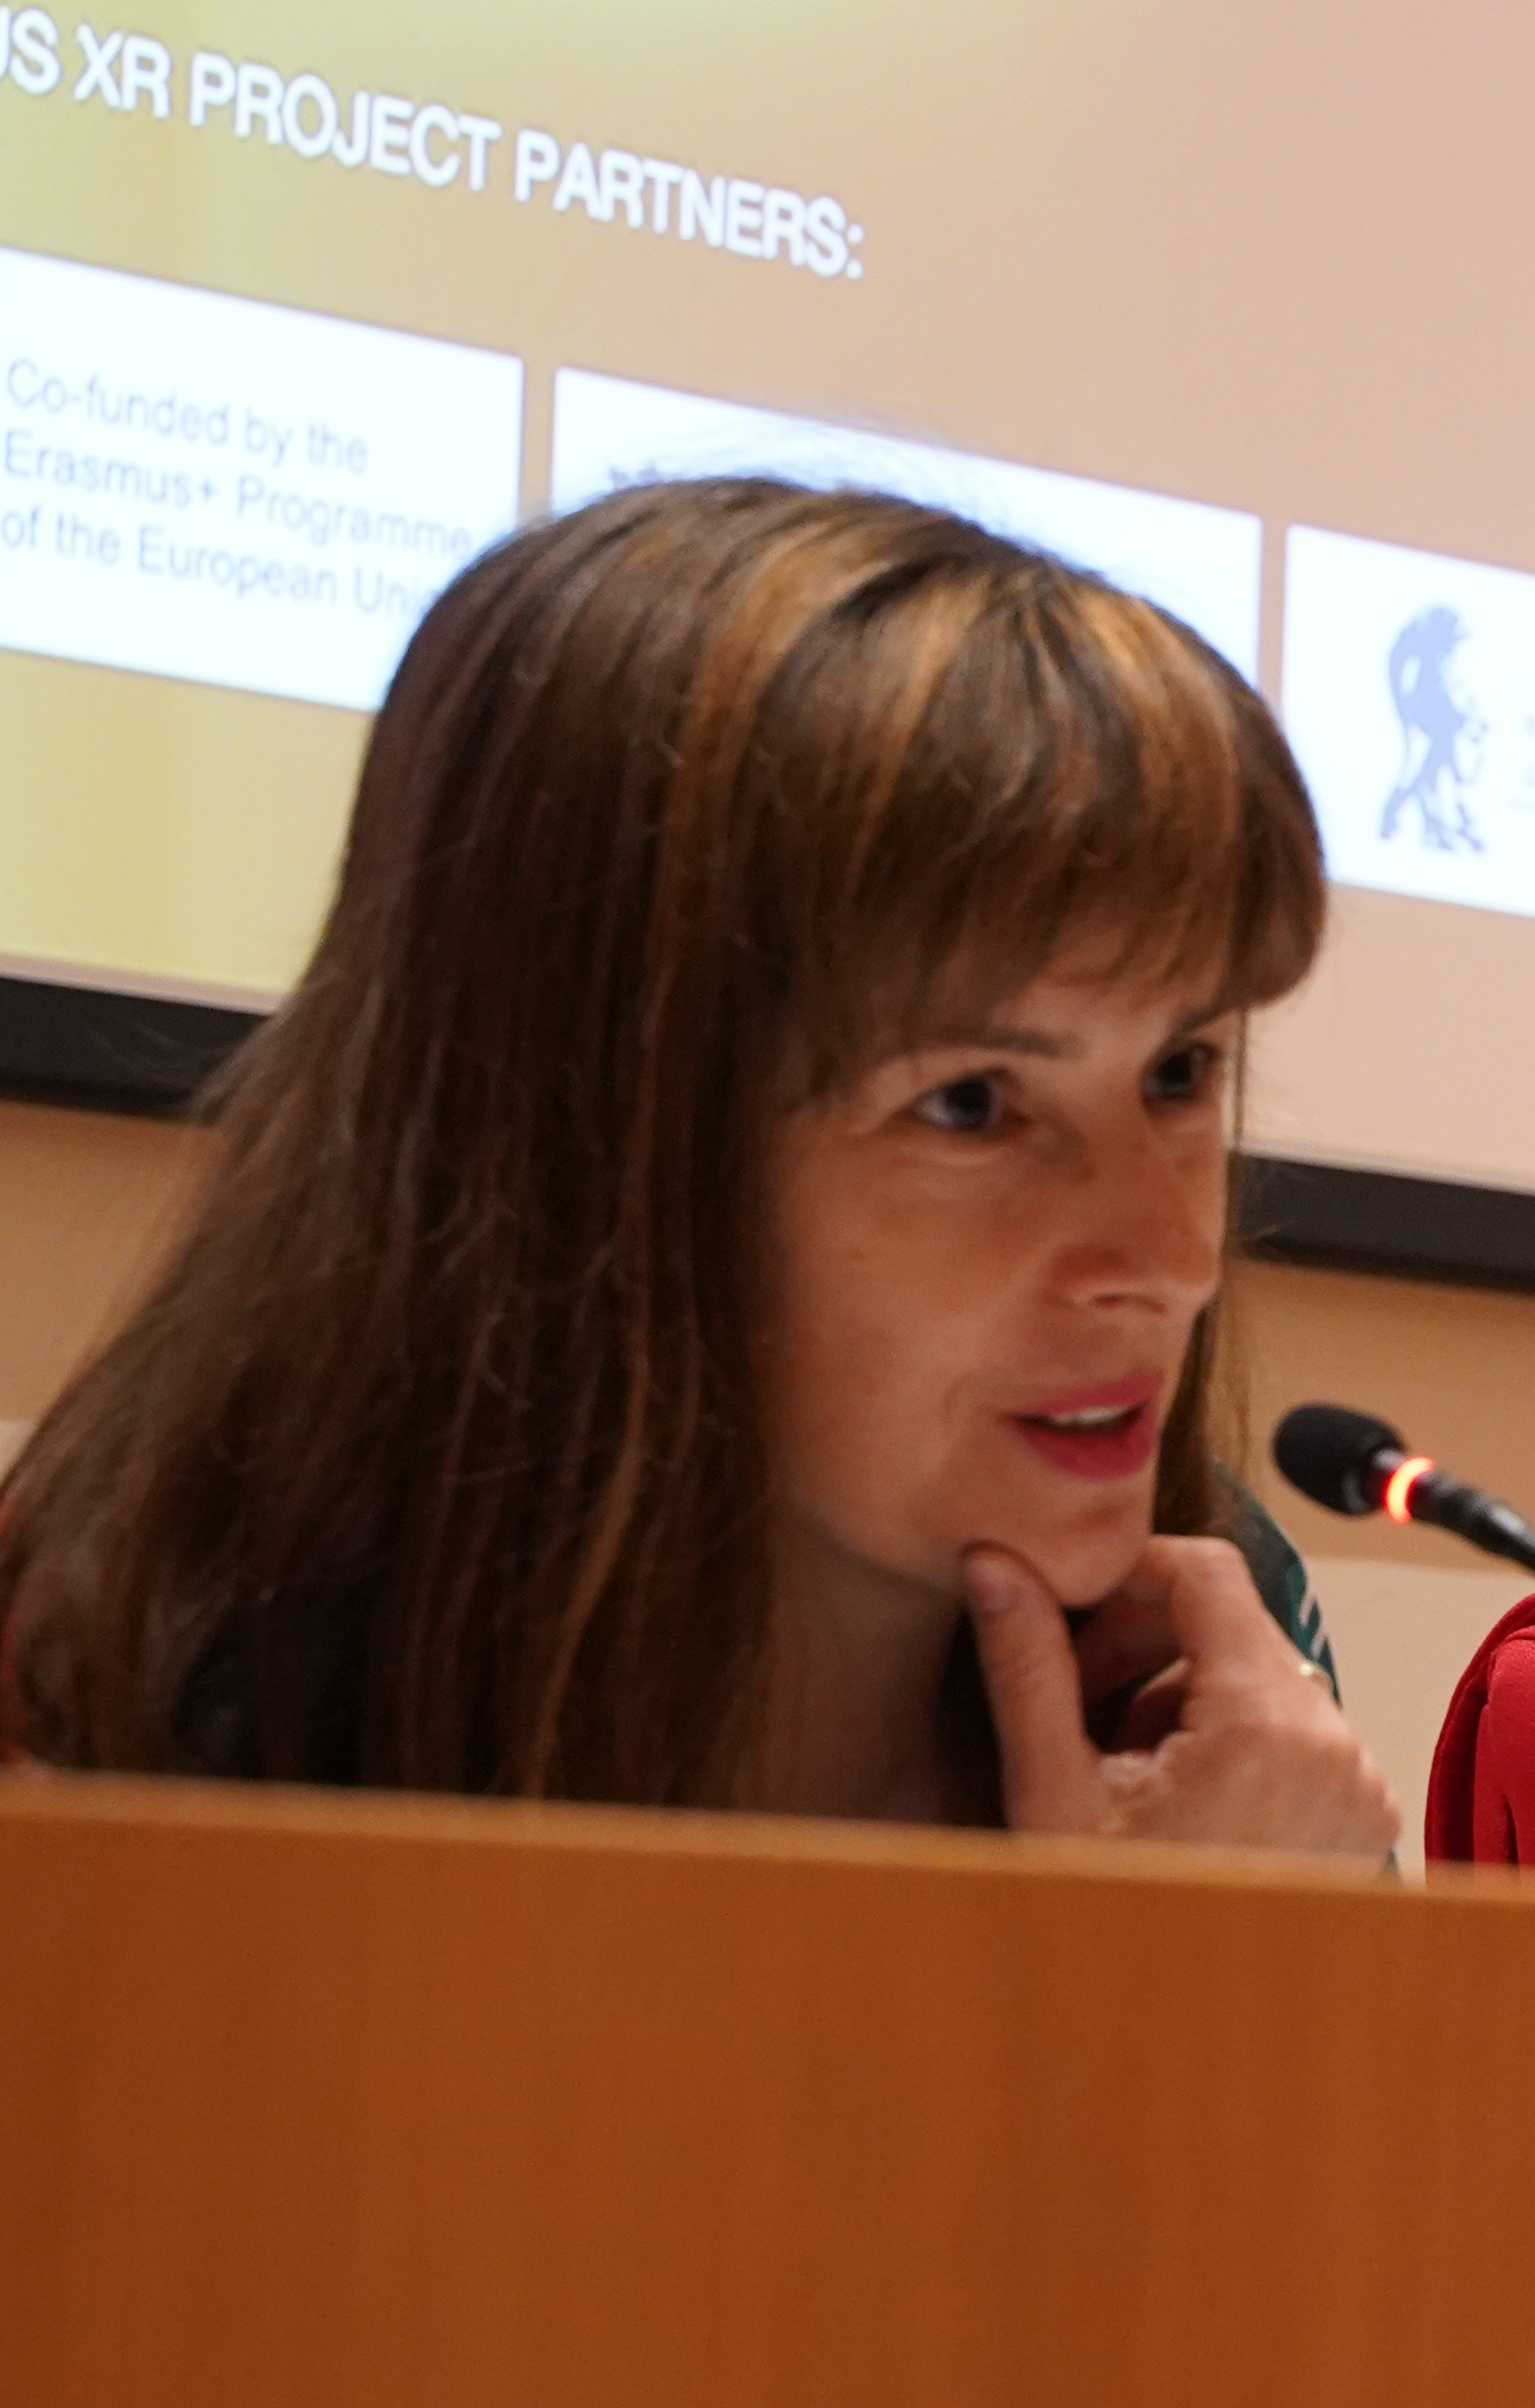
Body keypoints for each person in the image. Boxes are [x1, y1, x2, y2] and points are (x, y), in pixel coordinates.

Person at [0, 478, 1395, 1857]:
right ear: (578, 1137)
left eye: (1180, 1071)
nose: (1171, 1261)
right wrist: (1150, 1980)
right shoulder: (116, 1707)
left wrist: (1272, 1961)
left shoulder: (1215, 1675)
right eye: (972, 1104)